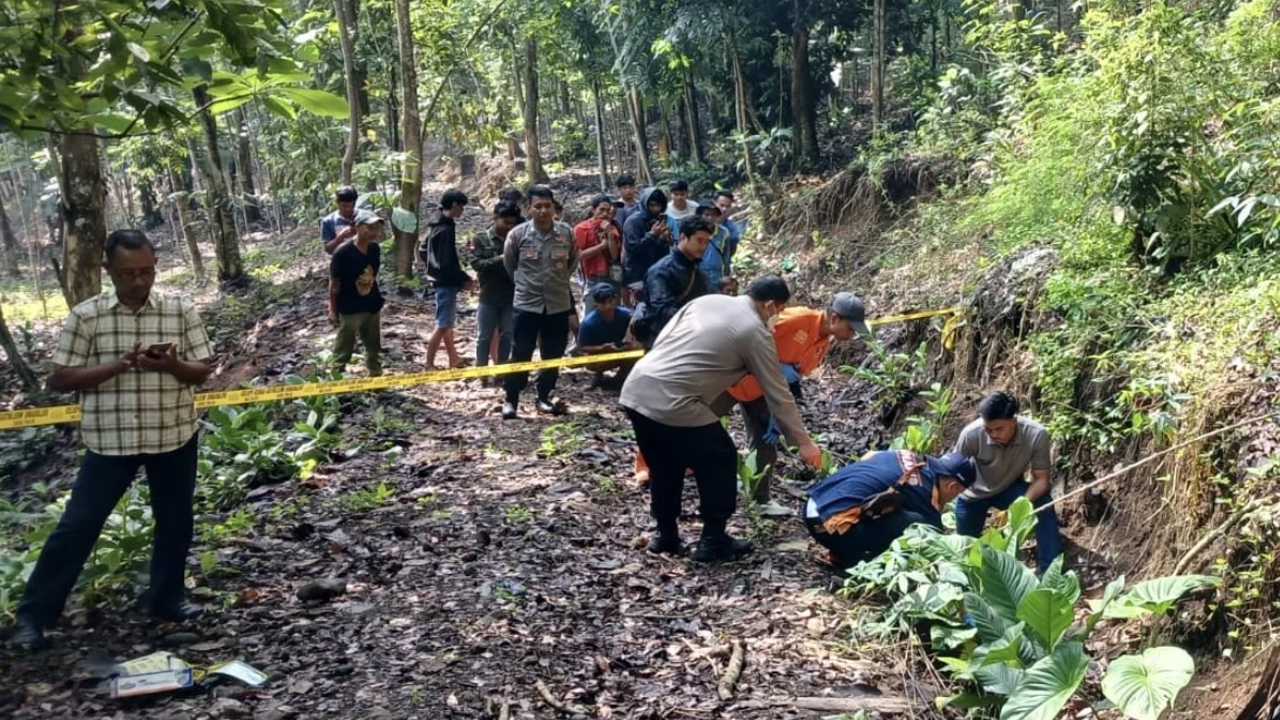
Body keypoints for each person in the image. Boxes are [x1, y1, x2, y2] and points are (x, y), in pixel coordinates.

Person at [10, 230, 213, 651]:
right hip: (109, 441)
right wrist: (117, 366)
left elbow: (202, 371)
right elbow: (61, 378)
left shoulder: (179, 309)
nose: (139, 281)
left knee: (175, 524)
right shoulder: (87, 316)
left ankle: (167, 600)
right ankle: (34, 617)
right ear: (108, 271)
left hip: (172, 434)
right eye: (127, 274)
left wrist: (174, 365)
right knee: (78, 526)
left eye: (147, 271)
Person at [620, 275, 825, 562]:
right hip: (676, 401)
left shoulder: (706, 301)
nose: (777, 318)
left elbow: (665, 337)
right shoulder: (754, 331)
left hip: (637, 388)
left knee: (666, 465)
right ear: (768, 305)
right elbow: (778, 391)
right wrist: (803, 443)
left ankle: (665, 535)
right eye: (778, 311)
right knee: (722, 459)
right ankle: (713, 540)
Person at [727, 292, 871, 505]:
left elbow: (793, 380)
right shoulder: (794, 319)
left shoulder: (823, 342)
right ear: (835, 319)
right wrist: (770, 365)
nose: (851, 335)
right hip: (733, 377)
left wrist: (779, 414)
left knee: (765, 447)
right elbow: (747, 332)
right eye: (850, 329)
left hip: (762, 392)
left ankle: (759, 500)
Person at [804, 451, 977, 571]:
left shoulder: (907, 456)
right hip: (826, 526)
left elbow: (868, 456)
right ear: (953, 486)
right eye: (957, 493)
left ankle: (842, 547)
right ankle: (849, 558)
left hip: (813, 504)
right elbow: (936, 545)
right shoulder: (926, 496)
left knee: (887, 506)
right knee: (916, 525)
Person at [952, 392, 1063, 573]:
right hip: (973, 495)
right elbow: (953, 471)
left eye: (999, 429)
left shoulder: (1036, 435)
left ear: (1014, 420)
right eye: (988, 429)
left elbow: (1041, 480)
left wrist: (1019, 507)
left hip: (1008, 489)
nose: (993, 434)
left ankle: (1051, 572)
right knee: (965, 549)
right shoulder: (971, 435)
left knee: (1043, 504)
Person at [502, 185, 578, 419]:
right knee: (521, 351)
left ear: (554, 208)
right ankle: (511, 398)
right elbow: (509, 265)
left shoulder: (566, 233)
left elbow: (572, 263)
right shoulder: (517, 235)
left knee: (553, 353)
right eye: (538, 206)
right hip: (526, 304)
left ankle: (544, 396)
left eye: (548, 206)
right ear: (528, 208)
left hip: (557, 304)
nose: (544, 211)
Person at [635, 215, 712, 347]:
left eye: (706, 242)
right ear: (683, 237)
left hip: (690, 335)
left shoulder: (695, 267)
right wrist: (696, 319)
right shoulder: (661, 270)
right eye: (699, 240)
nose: (703, 247)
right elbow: (662, 310)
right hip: (663, 339)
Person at [422, 189, 474, 369]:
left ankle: (454, 358)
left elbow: (423, 249)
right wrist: (463, 278)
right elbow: (447, 262)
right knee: (443, 324)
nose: (463, 211)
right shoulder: (444, 229)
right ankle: (429, 363)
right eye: (461, 207)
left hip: (441, 280)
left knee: (447, 322)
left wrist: (431, 267)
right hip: (446, 282)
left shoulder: (438, 223)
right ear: (453, 205)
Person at [330, 211, 386, 376]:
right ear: (358, 228)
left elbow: (372, 274)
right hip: (350, 307)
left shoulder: (375, 249)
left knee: (373, 346)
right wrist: (333, 309)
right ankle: (336, 381)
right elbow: (334, 283)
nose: (374, 231)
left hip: (371, 304)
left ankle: (376, 378)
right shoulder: (343, 253)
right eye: (369, 227)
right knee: (344, 347)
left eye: (376, 227)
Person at [471, 201, 521, 370]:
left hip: (510, 295)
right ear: (495, 218)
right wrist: (499, 259)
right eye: (505, 222)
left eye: (512, 223)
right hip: (488, 295)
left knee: (507, 334)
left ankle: (501, 369)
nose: (509, 227)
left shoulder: (516, 238)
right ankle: (482, 371)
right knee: (484, 336)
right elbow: (476, 263)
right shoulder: (481, 238)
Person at [573, 284, 638, 388]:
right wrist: (603, 347)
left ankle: (619, 379)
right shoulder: (589, 323)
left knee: (637, 348)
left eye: (610, 302)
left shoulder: (624, 314)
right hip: (600, 354)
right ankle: (599, 375)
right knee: (593, 361)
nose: (608, 306)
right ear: (596, 303)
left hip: (620, 349)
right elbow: (581, 348)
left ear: (615, 299)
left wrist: (629, 334)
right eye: (603, 303)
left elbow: (635, 317)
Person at [573, 195, 622, 315]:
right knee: (591, 315)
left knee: (613, 316)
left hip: (611, 277)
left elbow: (615, 255)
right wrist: (600, 247)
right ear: (592, 210)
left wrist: (609, 234)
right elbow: (579, 256)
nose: (605, 213)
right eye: (601, 210)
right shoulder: (581, 228)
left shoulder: (612, 227)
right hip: (593, 279)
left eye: (607, 210)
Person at [622, 187, 671, 302]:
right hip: (637, 275)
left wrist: (664, 239)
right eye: (652, 205)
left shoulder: (659, 220)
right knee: (641, 310)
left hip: (656, 273)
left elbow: (661, 251)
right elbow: (634, 248)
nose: (655, 209)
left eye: (658, 206)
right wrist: (652, 235)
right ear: (645, 204)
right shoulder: (633, 221)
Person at [695, 202, 736, 289]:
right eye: (706, 215)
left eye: (713, 215)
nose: (710, 218)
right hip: (698, 273)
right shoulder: (694, 231)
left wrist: (726, 275)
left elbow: (726, 256)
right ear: (701, 216)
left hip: (717, 274)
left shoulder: (723, 232)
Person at [321, 185, 359, 255]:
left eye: (352, 205)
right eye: (344, 206)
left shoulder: (362, 216)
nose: (349, 209)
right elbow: (328, 249)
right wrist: (340, 237)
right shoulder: (328, 221)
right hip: (341, 262)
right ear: (337, 203)